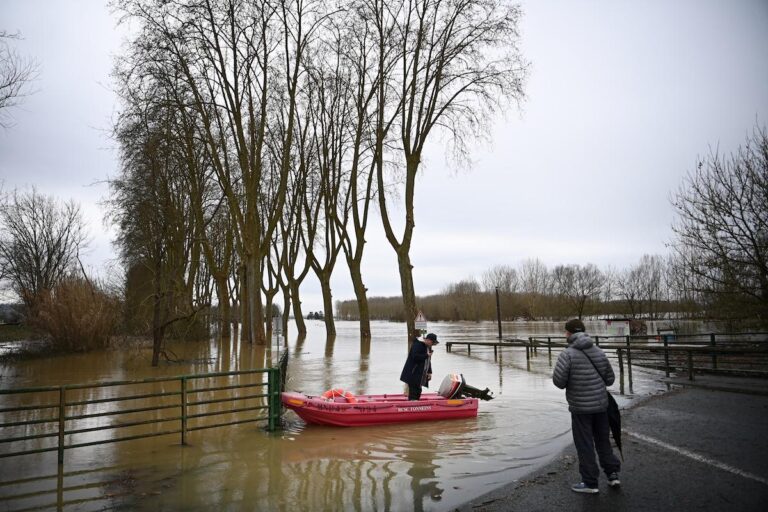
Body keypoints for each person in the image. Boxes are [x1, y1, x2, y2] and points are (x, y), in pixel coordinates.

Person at [553, 319, 621, 494]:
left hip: (580, 409)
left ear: (568, 333)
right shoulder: (598, 351)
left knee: (585, 444)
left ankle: (590, 483)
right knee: (603, 440)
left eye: (565, 332)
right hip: (601, 405)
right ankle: (612, 474)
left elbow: (559, 382)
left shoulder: (567, 354)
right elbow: (610, 379)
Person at [400, 332, 439, 400]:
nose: (432, 344)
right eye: (432, 343)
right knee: (414, 392)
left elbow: (428, 361)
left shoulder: (427, 347)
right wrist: (427, 355)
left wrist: (429, 372)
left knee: (418, 390)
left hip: (420, 374)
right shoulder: (417, 345)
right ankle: (412, 406)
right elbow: (415, 357)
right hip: (413, 373)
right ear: (428, 340)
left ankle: (416, 404)